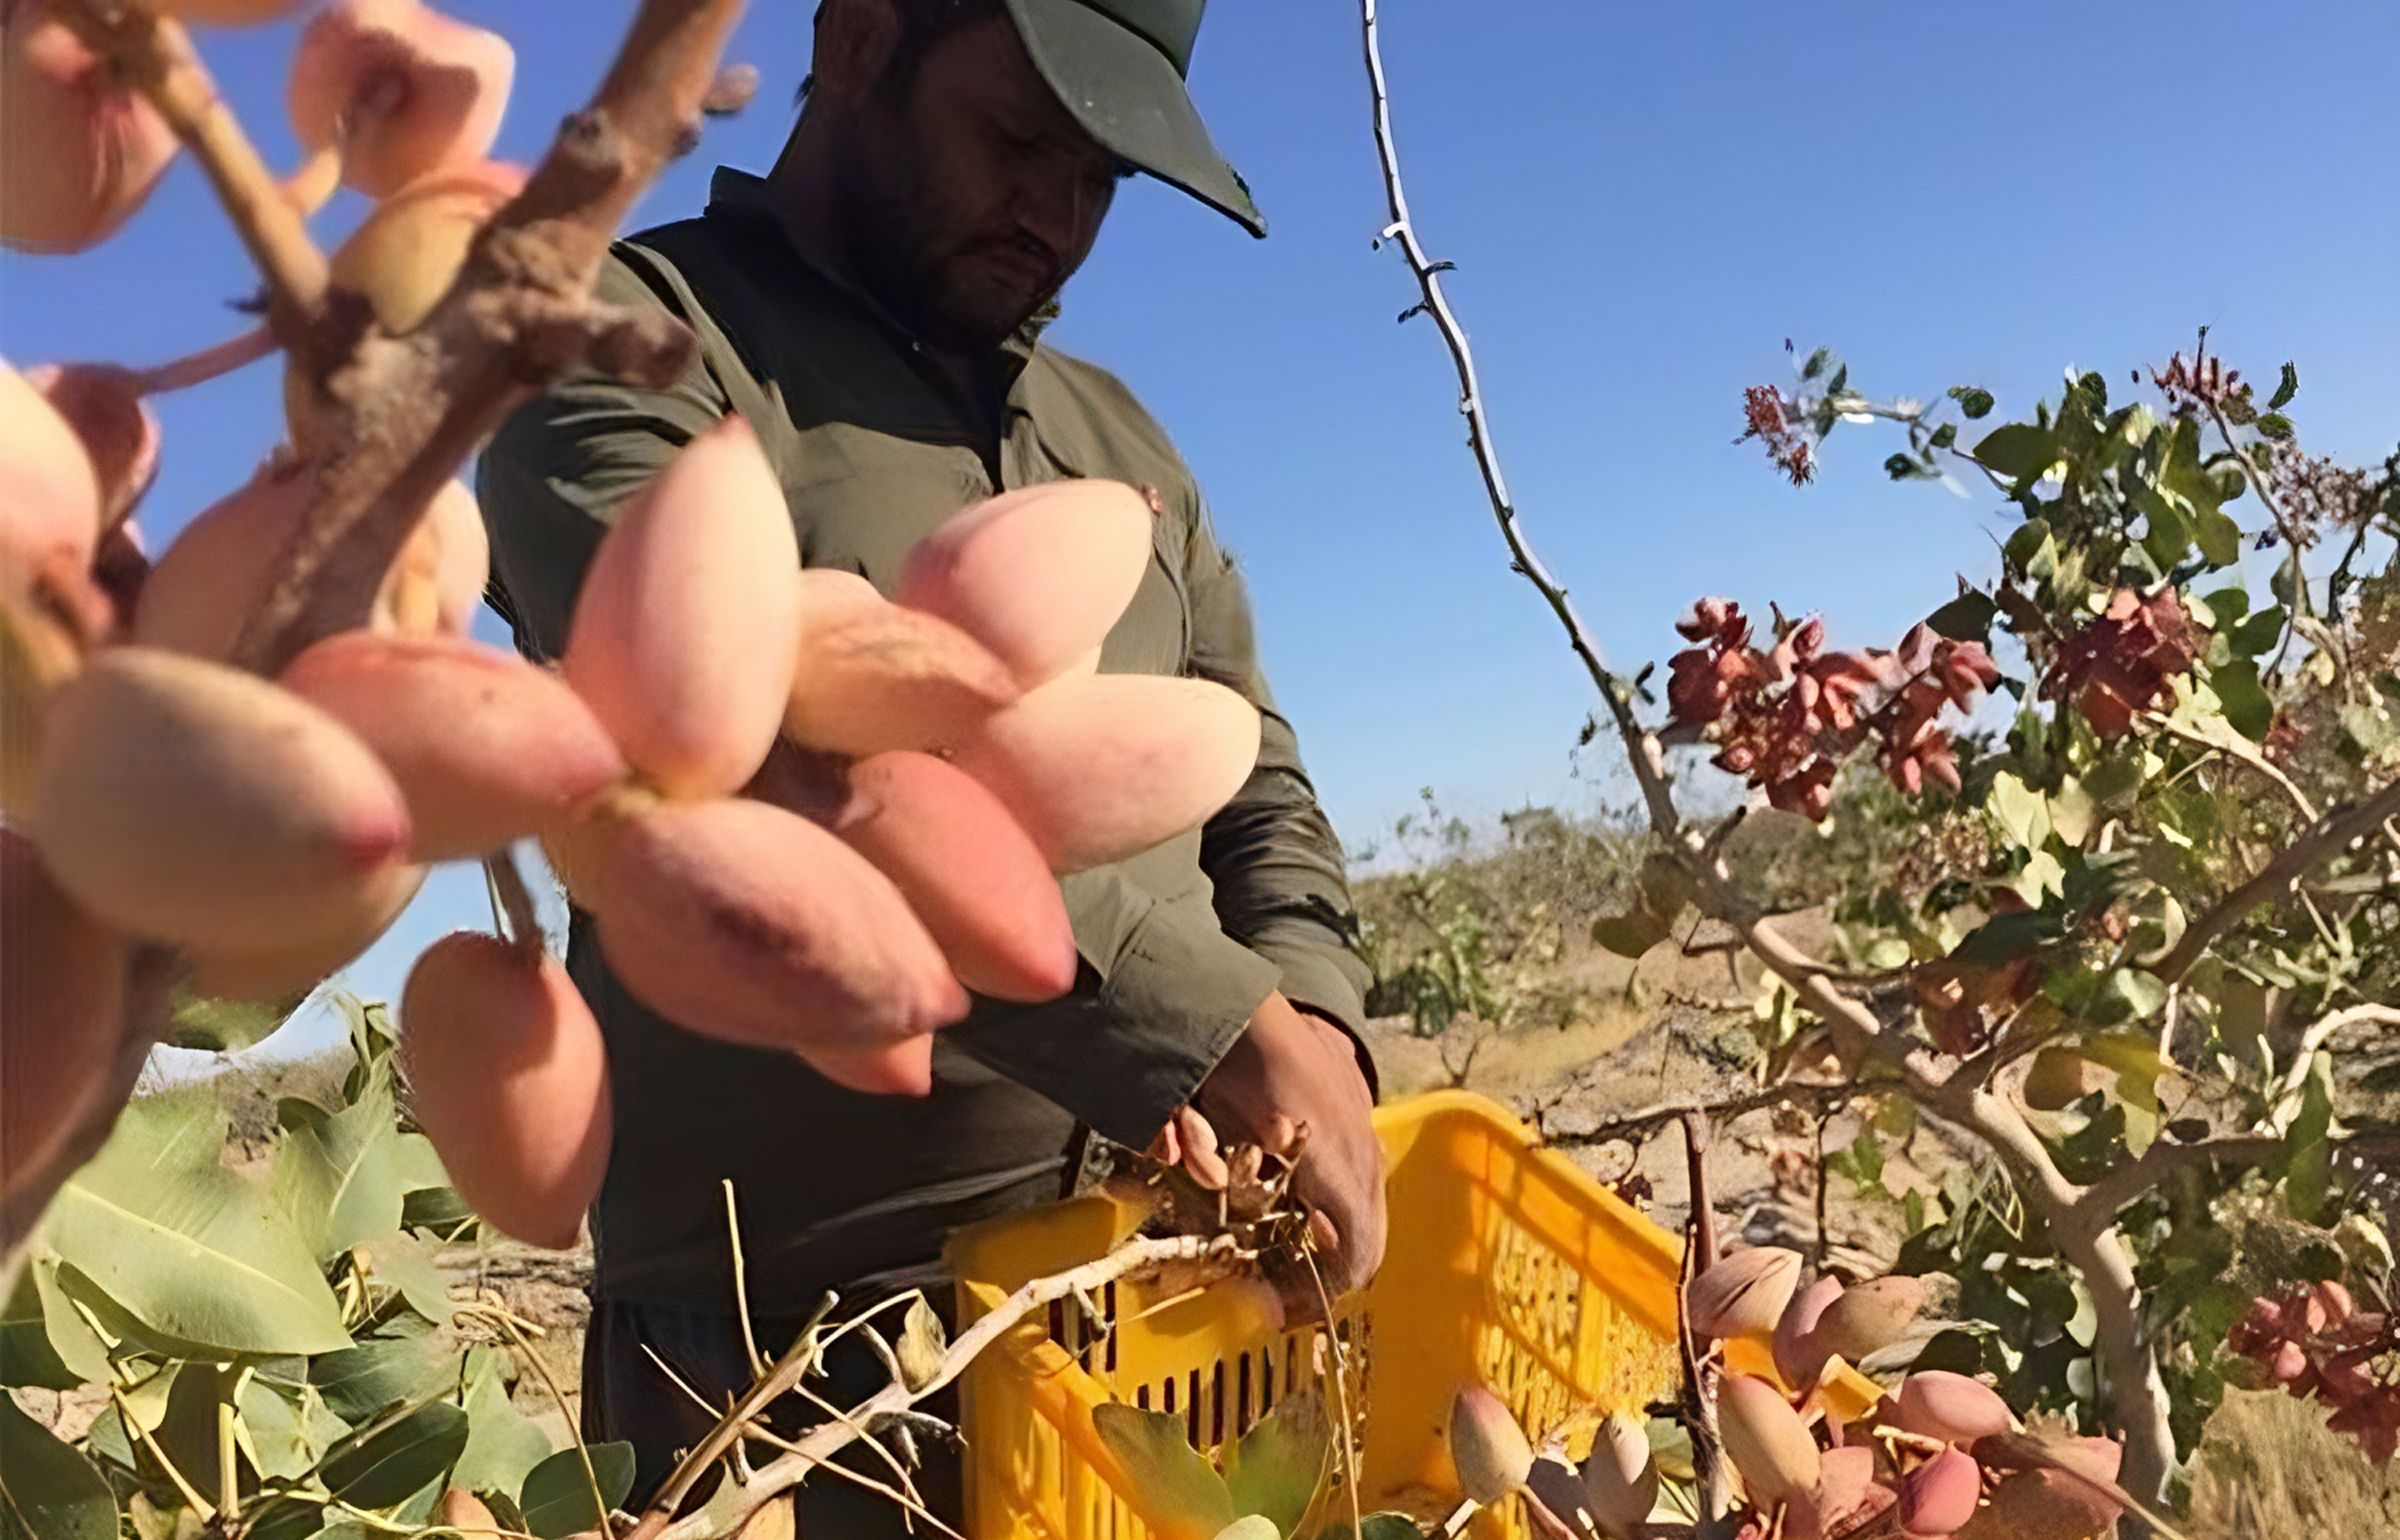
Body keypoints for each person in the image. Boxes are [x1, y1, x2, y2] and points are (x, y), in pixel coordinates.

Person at [474, 0, 1382, 1527]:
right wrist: (1208, 1027)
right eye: (1020, 139)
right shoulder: (615, 349)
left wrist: (1316, 1040)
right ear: (861, 40)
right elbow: (751, 739)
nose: (1059, 216)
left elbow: (1256, 785)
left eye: (1102, 178)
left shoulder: (1126, 449)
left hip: (1163, 1309)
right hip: (786, 1368)